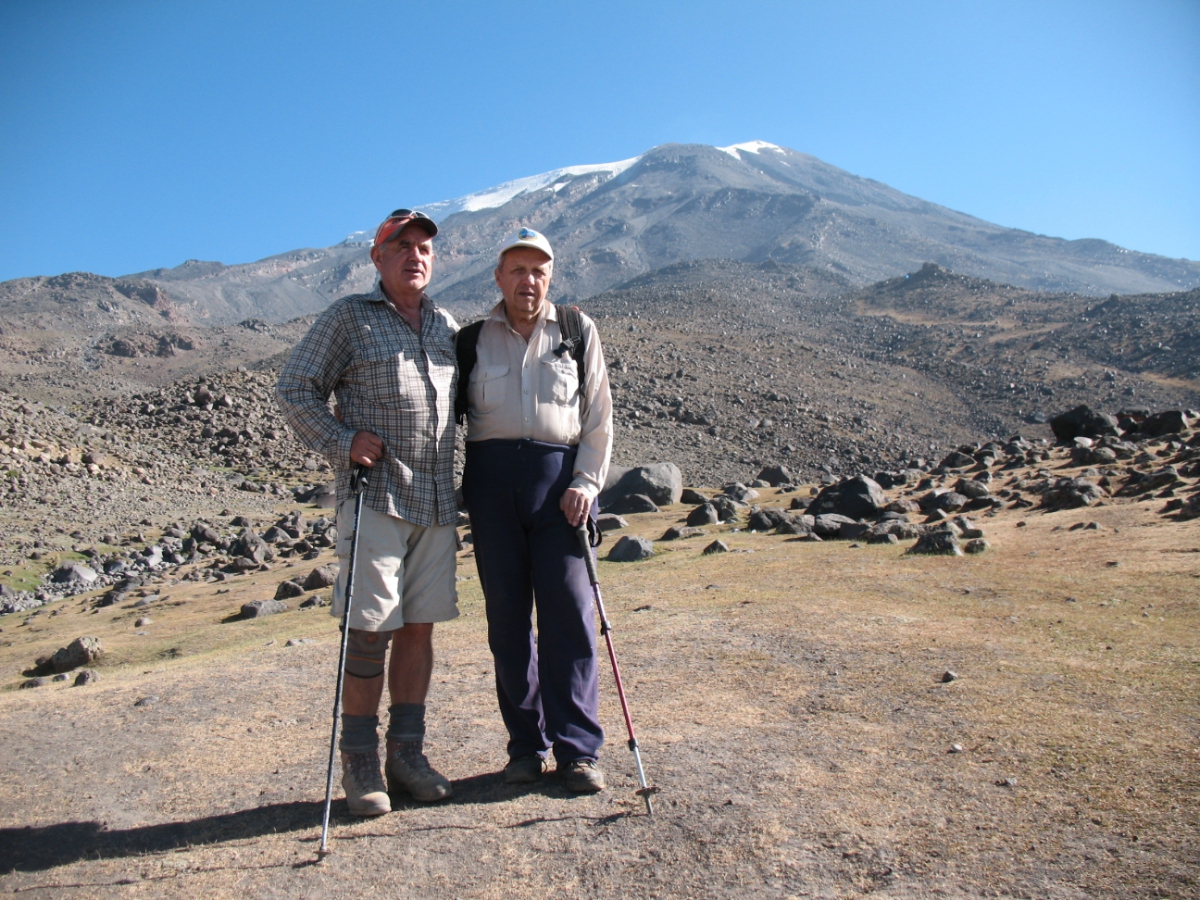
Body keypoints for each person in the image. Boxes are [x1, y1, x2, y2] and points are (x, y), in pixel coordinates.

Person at [276, 209, 459, 816]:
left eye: (425, 247)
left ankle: (406, 754)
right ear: (377, 258)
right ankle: (358, 760)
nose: (415, 255)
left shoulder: (445, 326)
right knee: (369, 628)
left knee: (419, 627)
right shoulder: (349, 319)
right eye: (401, 245)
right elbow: (295, 387)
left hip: (435, 502)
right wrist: (341, 439)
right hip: (375, 496)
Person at [460, 227, 614, 792]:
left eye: (538, 271)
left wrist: (587, 481)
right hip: (491, 489)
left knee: (570, 616)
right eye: (517, 270)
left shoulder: (577, 330)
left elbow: (598, 414)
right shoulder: (470, 339)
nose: (528, 280)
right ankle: (526, 747)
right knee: (507, 625)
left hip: (561, 491)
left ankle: (578, 751)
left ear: (551, 276)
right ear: (498, 277)